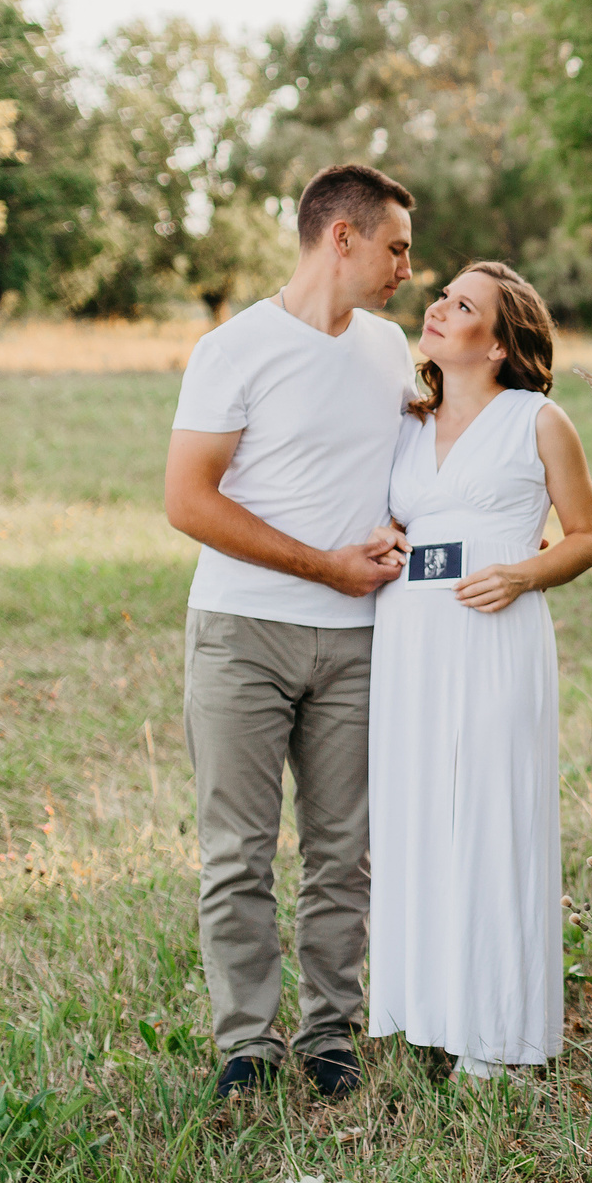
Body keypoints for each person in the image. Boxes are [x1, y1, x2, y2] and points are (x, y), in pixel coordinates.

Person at [164, 163, 416, 1100]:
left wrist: (404, 527)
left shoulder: (393, 349)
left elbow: (410, 468)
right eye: (394, 246)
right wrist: (324, 564)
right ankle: (246, 1044)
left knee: (343, 845)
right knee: (237, 849)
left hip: (357, 638)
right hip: (242, 633)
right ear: (340, 237)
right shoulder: (233, 350)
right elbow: (187, 501)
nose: (405, 267)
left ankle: (330, 1033)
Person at [368, 261, 592, 1080]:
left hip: (496, 635)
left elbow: (586, 536)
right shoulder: (405, 422)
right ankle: (433, 1011)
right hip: (409, 644)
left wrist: (522, 574)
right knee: (423, 816)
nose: (436, 307)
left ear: (499, 344)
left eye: (462, 305)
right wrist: (384, 540)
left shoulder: (538, 422)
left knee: (494, 818)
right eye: (441, 295)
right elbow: (391, 520)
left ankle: (499, 1037)